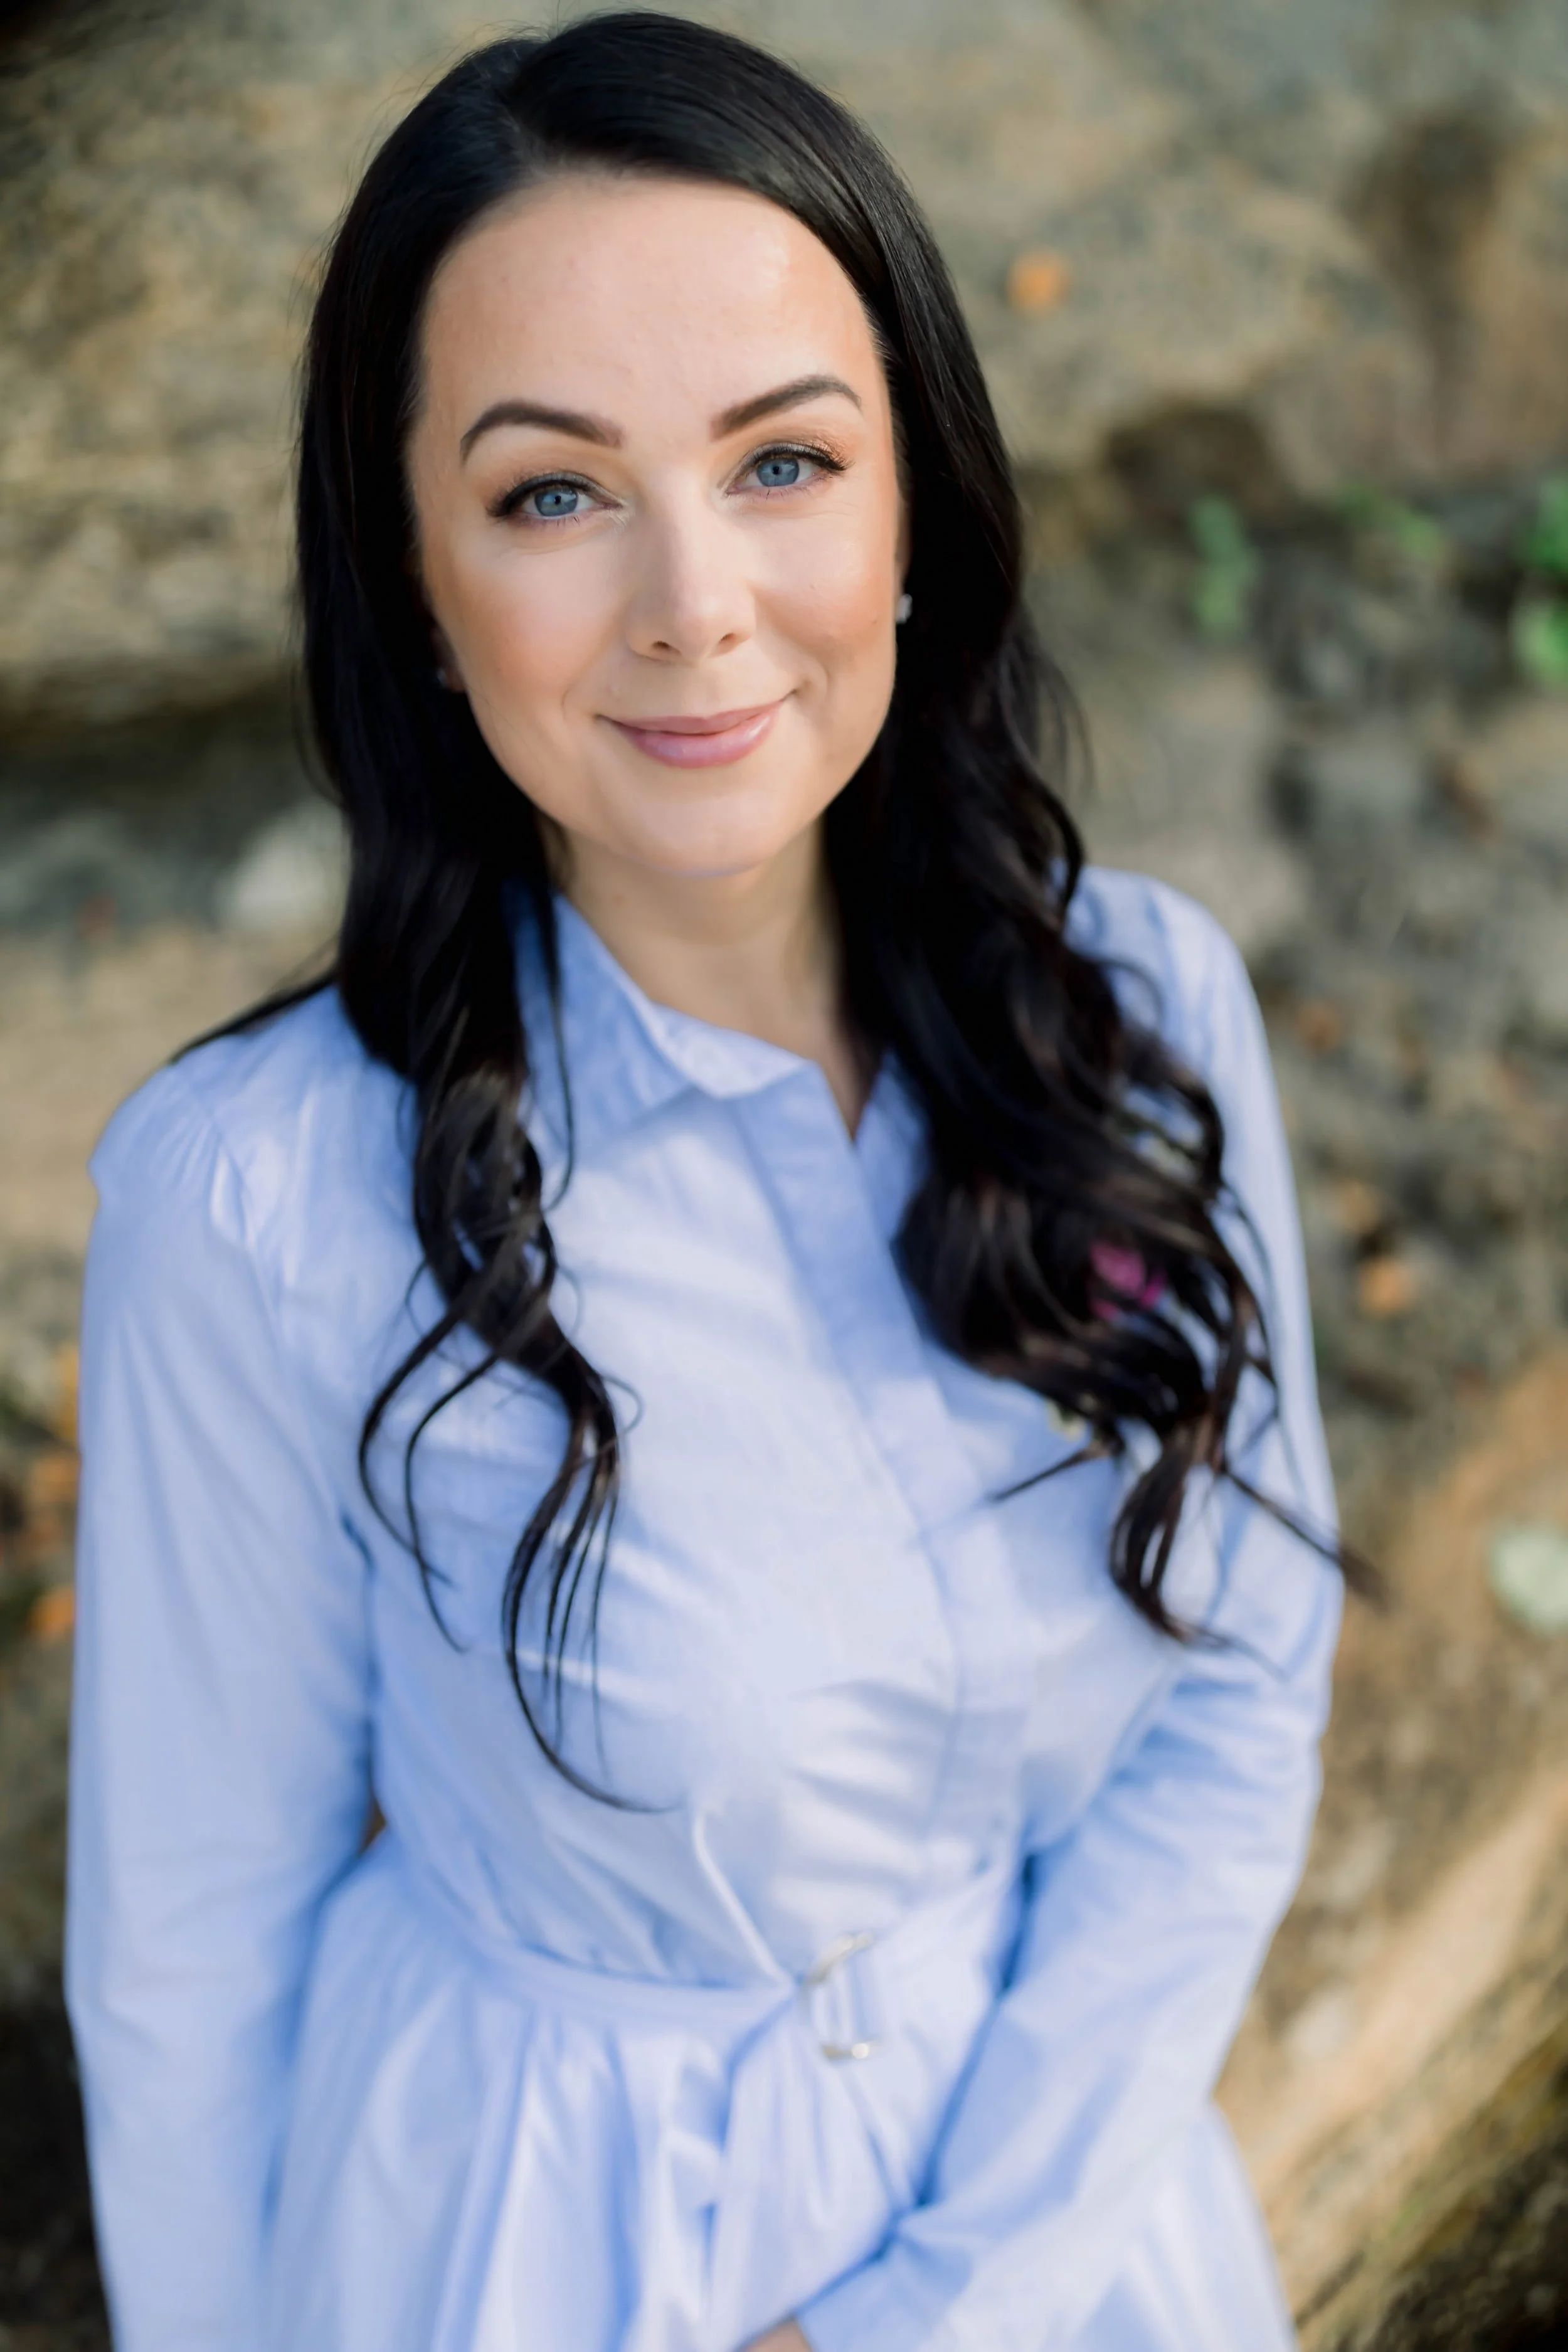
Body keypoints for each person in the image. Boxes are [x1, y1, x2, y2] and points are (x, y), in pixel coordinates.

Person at [66, 16, 1347, 2351]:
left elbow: (1242, 1706)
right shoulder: (255, 1198)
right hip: (524, 2253)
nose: (691, 599)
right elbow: (183, 1954)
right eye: (553, 493)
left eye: (781, 461)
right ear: (420, 587)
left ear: (912, 510)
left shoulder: (1135, 1013)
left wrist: (953, 2304)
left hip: (1069, 2229)